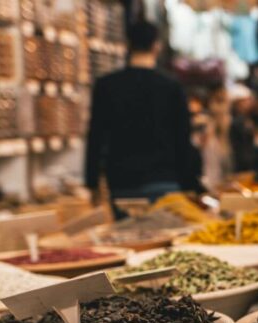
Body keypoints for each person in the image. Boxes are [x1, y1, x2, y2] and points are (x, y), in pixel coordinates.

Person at [85, 19, 200, 213]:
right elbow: (183, 138)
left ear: (128, 45)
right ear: (157, 46)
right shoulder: (171, 86)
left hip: (122, 182)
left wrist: (92, 182)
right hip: (164, 180)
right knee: (166, 239)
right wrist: (189, 183)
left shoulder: (106, 86)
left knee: (129, 240)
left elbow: (95, 136)